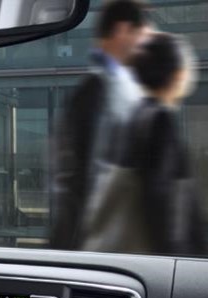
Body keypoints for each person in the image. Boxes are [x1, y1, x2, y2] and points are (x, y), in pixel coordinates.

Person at [49, 0, 149, 249]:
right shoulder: (100, 91)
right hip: (98, 243)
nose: (142, 43)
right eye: (139, 34)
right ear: (122, 30)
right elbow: (86, 178)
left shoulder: (116, 88)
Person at [121, 31, 207, 256]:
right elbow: (163, 201)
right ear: (177, 74)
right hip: (166, 259)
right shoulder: (159, 121)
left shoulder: (136, 116)